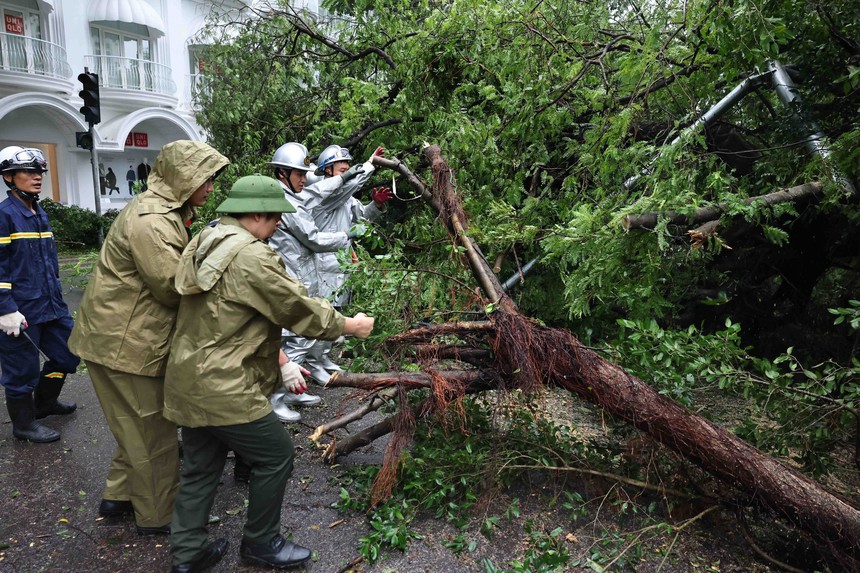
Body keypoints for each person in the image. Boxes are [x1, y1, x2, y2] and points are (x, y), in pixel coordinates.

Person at [163, 174, 374, 572]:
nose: (279, 224)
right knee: (276, 454)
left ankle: (187, 555)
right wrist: (350, 325)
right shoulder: (250, 255)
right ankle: (261, 542)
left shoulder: (205, 239)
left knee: (201, 466)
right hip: (224, 383)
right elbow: (295, 307)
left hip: (188, 378)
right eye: (276, 216)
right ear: (256, 213)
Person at [68, 140, 229, 536]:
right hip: (125, 345)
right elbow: (174, 287)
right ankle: (161, 517)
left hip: (116, 339)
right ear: (183, 177)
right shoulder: (152, 220)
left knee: (134, 426)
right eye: (205, 179)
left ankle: (118, 496)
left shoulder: (164, 211)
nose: (210, 187)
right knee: (152, 433)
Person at [266, 142, 366, 421]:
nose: (304, 178)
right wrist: (345, 237)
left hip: (301, 275)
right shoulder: (285, 202)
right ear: (284, 173)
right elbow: (312, 239)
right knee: (296, 339)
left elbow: (317, 189)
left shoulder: (292, 195)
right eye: (299, 173)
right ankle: (277, 399)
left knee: (300, 337)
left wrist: (343, 177)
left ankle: (290, 392)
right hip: (292, 277)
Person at [0, 146, 80, 443]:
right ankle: (23, 425)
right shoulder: (5, 216)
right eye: (29, 172)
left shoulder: (38, 213)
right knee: (21, 371)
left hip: (50, 305)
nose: (37, 177)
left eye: (40, 172)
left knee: (69, 352)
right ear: (9, 177)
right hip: (18, 310)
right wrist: (4, 308)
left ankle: (44, 404)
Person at [303, 144, 392, 385]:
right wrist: (369, 165)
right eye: (340, 163)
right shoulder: (325, 193)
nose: (345, 165)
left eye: (347, 162)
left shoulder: (346, 197)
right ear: (327, 169)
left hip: (341, 265)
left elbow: (360, 219)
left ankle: (321, 359)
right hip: (323, 265)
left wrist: (376, 205)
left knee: (337, 315)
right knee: (324, 316)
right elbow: (349, 184)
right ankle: (313, 363)